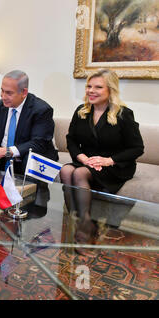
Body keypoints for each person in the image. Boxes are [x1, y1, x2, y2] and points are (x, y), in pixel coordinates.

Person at [59, 69, 144, 245]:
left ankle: (85, 223)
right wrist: (81, 157)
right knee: (66, 170)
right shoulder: (82, 111)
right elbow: (71, 139)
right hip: (87, 160)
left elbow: (137, 148)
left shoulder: (123, 114)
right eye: (89, 86)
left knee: (79, 174)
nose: (91, 90)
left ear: (110, 90)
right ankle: (75, 217)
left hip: (115, 164)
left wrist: (108, 161)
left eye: (98, 87)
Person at [0, 70, 58, 175]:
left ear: (24, 93)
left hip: (26, 155)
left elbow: (38, 143)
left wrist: (4, 152)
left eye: (9, 93)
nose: (3, 96)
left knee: (29, 160)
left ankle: (32, 191)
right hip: (1, 157)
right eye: (2, 91)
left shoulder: (41, 110)